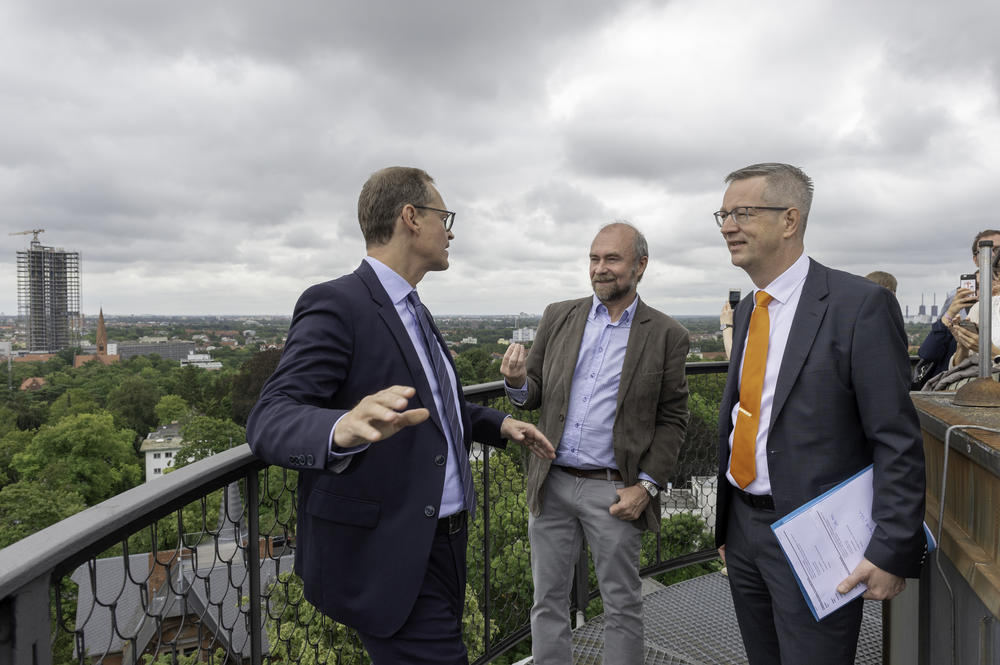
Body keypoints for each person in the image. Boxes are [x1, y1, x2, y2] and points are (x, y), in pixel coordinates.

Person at [246, 166, 555, 665]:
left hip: (444, 545)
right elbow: (270, 417)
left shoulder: (414, 308)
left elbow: (430, 407)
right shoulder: (338, 302)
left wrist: (496, 423)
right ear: (410, 217)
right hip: (388, 553)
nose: (450, 231)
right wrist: (340, 427)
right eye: (443, 216)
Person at [713, 163, 927, 664]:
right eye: (722, 214)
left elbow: (895, 438)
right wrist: (729, 528)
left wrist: (889, 549)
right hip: (744, 532)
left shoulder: (860, 305)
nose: (727, 226)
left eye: (742, 212)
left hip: (817, 539)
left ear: (790, 220)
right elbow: (746, 417)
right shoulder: (749, 309)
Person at [500, 222, 690, 665]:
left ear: (640, 265)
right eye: (594, 258)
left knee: (621, 604)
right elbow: (535, 393)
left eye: (612, 259)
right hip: (553, 482)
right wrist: (514, 383)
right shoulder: (559, 315)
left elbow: (673, 419)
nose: (600, 269)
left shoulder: (667, 335)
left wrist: (646, 486)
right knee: (547, 601)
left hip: (615, 492)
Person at [915, 229, 1000, 385]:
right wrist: (949, 315)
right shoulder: (958, 296)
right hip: (964, 383)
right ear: (976, 259)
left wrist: (988, 350)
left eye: (998, 250)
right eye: (987, 251)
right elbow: (929, 352)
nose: (993, 256)